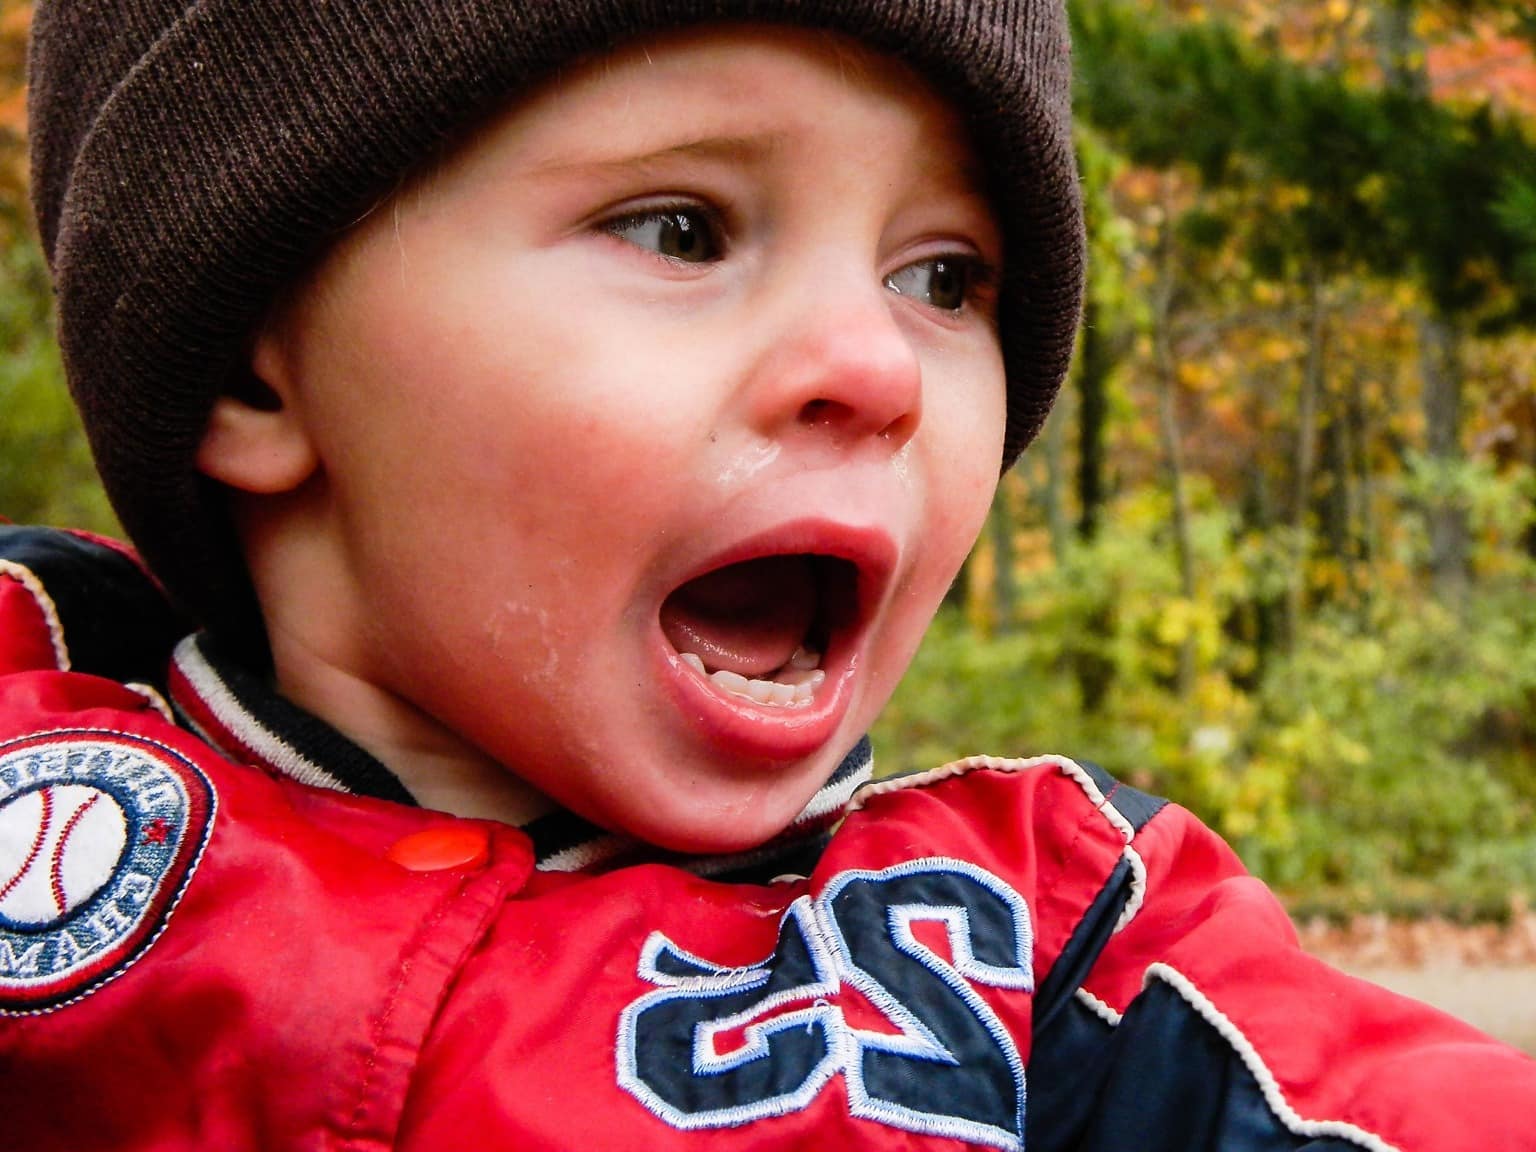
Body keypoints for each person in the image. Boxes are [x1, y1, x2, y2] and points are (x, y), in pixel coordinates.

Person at [1, 2, 1531, 1148]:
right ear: (258, 377)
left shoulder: (1038, 950)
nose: (875, 367)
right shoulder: (32, 715)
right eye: (682, 229)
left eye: (943, 277)